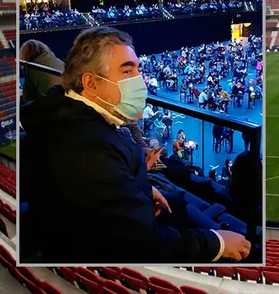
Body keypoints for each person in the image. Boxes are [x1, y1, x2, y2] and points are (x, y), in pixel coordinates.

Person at [19, 26, 250, 264]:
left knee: (178, 203)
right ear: (91, 83)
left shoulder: (68, 115)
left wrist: (141, 189)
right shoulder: (86, 145)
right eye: (127, 70)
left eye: (137, 69)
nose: (138, 80)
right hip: (95, 252)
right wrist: (218, 243)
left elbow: (92, 186)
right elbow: (145, 243)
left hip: (96, 223)